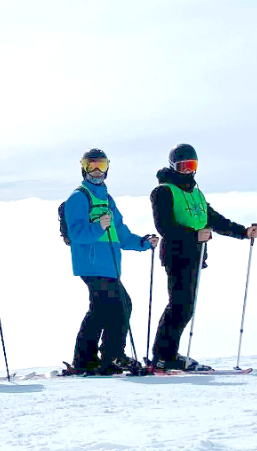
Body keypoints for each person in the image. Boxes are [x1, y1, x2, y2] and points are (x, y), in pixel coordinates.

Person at [149, 143, 257, 370]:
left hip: (195, 256)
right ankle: (163, 356)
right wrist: (194, 236)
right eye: (183, 166)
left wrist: (243, 232)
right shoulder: (163, 191)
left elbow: (215, 220)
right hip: (176, 255)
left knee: (185, 307)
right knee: (180, 306)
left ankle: (168, 353)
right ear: (173, 167)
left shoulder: (196, 193)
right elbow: (165, 227)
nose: (189, 171)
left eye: (193, 166)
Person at [62, 149, 158, 375]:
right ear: (83, 168)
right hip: (92, 265)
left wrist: (144, 242)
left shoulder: (107, 199)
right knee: (119, 305)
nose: (97, 170)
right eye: (91, 165)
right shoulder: (78, 197)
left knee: (102, 309)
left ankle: (89, 359)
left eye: (101, 165)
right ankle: (111, 355)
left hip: (109, 267)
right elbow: (76, 234)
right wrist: (99, 226)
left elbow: (122, 234)